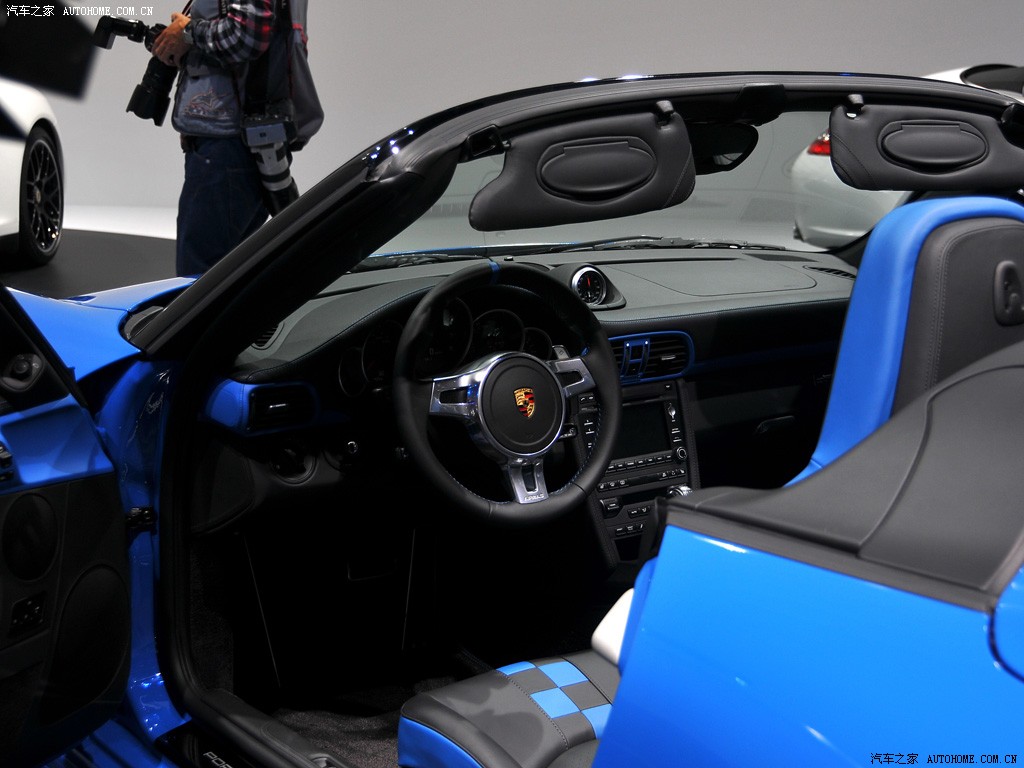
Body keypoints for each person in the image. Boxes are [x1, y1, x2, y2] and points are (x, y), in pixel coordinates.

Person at [151, 1, 276, 277]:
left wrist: (187, 32)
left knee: (200, 278)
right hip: (228, 142)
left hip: (226, 147)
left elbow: (247, 36)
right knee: (228, 275)